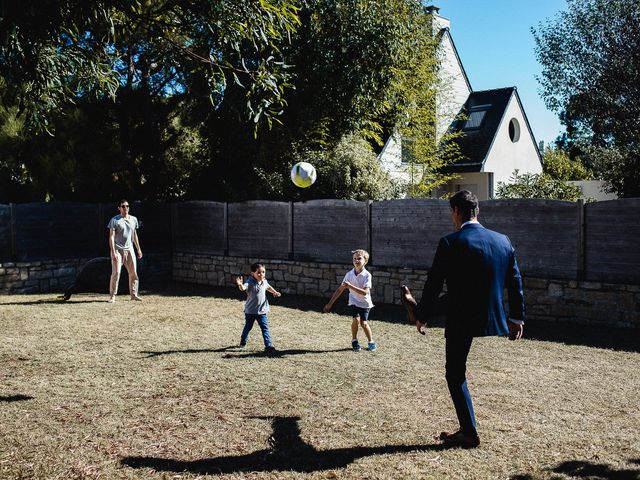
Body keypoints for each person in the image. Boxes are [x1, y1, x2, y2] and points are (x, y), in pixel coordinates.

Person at [401, 190, 525, 448]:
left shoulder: (450, 242)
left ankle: (469, 432)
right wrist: (516, 318)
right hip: (492, 313)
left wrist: (422, 315)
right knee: (456, 299)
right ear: (477, 211)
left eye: (451, 213)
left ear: (456, 211)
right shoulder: (503, 241)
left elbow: (434, 284)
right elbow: (515, 282)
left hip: (460, 315)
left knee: (455, 374)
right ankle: (466, 430)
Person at [323, 249, 377, 352]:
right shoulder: (349, 275)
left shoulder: (367, 275)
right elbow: (340, 290)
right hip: (354, 301)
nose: (356, 260)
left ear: (365, 261)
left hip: (365, 303)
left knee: (364, 323)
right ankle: (354, 340)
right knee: (355, 320)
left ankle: (371, 341)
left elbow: (365, 292)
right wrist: (329, 304)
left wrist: (350, 286)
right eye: (354, 259)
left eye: (359, 258)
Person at [235, 263, 281, 354]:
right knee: (248, 327)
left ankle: (268, 346)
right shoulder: (250, 282)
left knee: (265, 328)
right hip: (250, 311)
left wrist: (275, 292)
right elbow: (243, 288)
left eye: (263, 272)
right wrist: (240, 284)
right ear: (253, 274)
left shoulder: (264, 281)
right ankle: (243, 341)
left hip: (262, 311)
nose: (261, 274)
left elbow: (268, 287)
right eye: (259, 272)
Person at [107, 199, 143, 303]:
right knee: (116, 272)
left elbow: (134, 235)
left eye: (127, 206)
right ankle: (112, 296)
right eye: (123, 206)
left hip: (130, 249)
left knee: (133, 273)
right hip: (118, 249)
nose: (125, 208)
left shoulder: (133, 219)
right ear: (119, 208)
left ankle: (134, 294)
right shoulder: (114, 220)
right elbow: (111, 237)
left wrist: (138, 249)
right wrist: (113, 252)